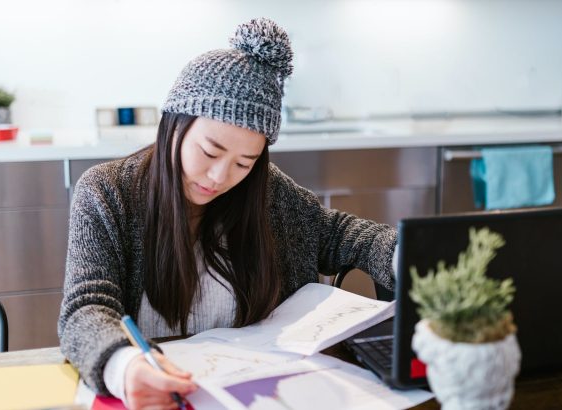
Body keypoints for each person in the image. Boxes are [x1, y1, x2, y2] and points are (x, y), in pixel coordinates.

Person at [58, 18, 397, 410]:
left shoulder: (267, 192)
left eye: (244, 162)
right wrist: (123, 365)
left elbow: (341, 233)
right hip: (161, 395)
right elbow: (85, 309)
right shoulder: (107, 192)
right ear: (175, 126)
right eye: (210, 151)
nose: (220, 177)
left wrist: (407, 253)